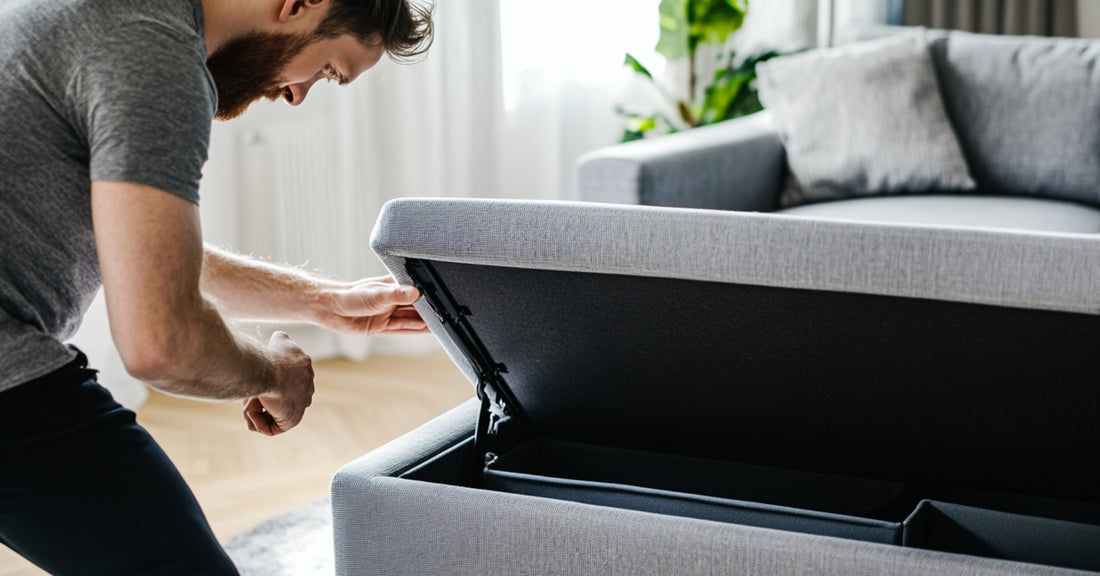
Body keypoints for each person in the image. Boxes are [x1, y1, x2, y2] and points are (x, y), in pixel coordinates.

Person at [0, 0, 434, 573]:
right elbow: (162, 344)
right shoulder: (153, 52)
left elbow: (144, 250)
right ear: (301, 4)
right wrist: (276, 373)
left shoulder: (104, 16)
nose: (299, 95)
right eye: (328, 70)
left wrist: (325, 302)